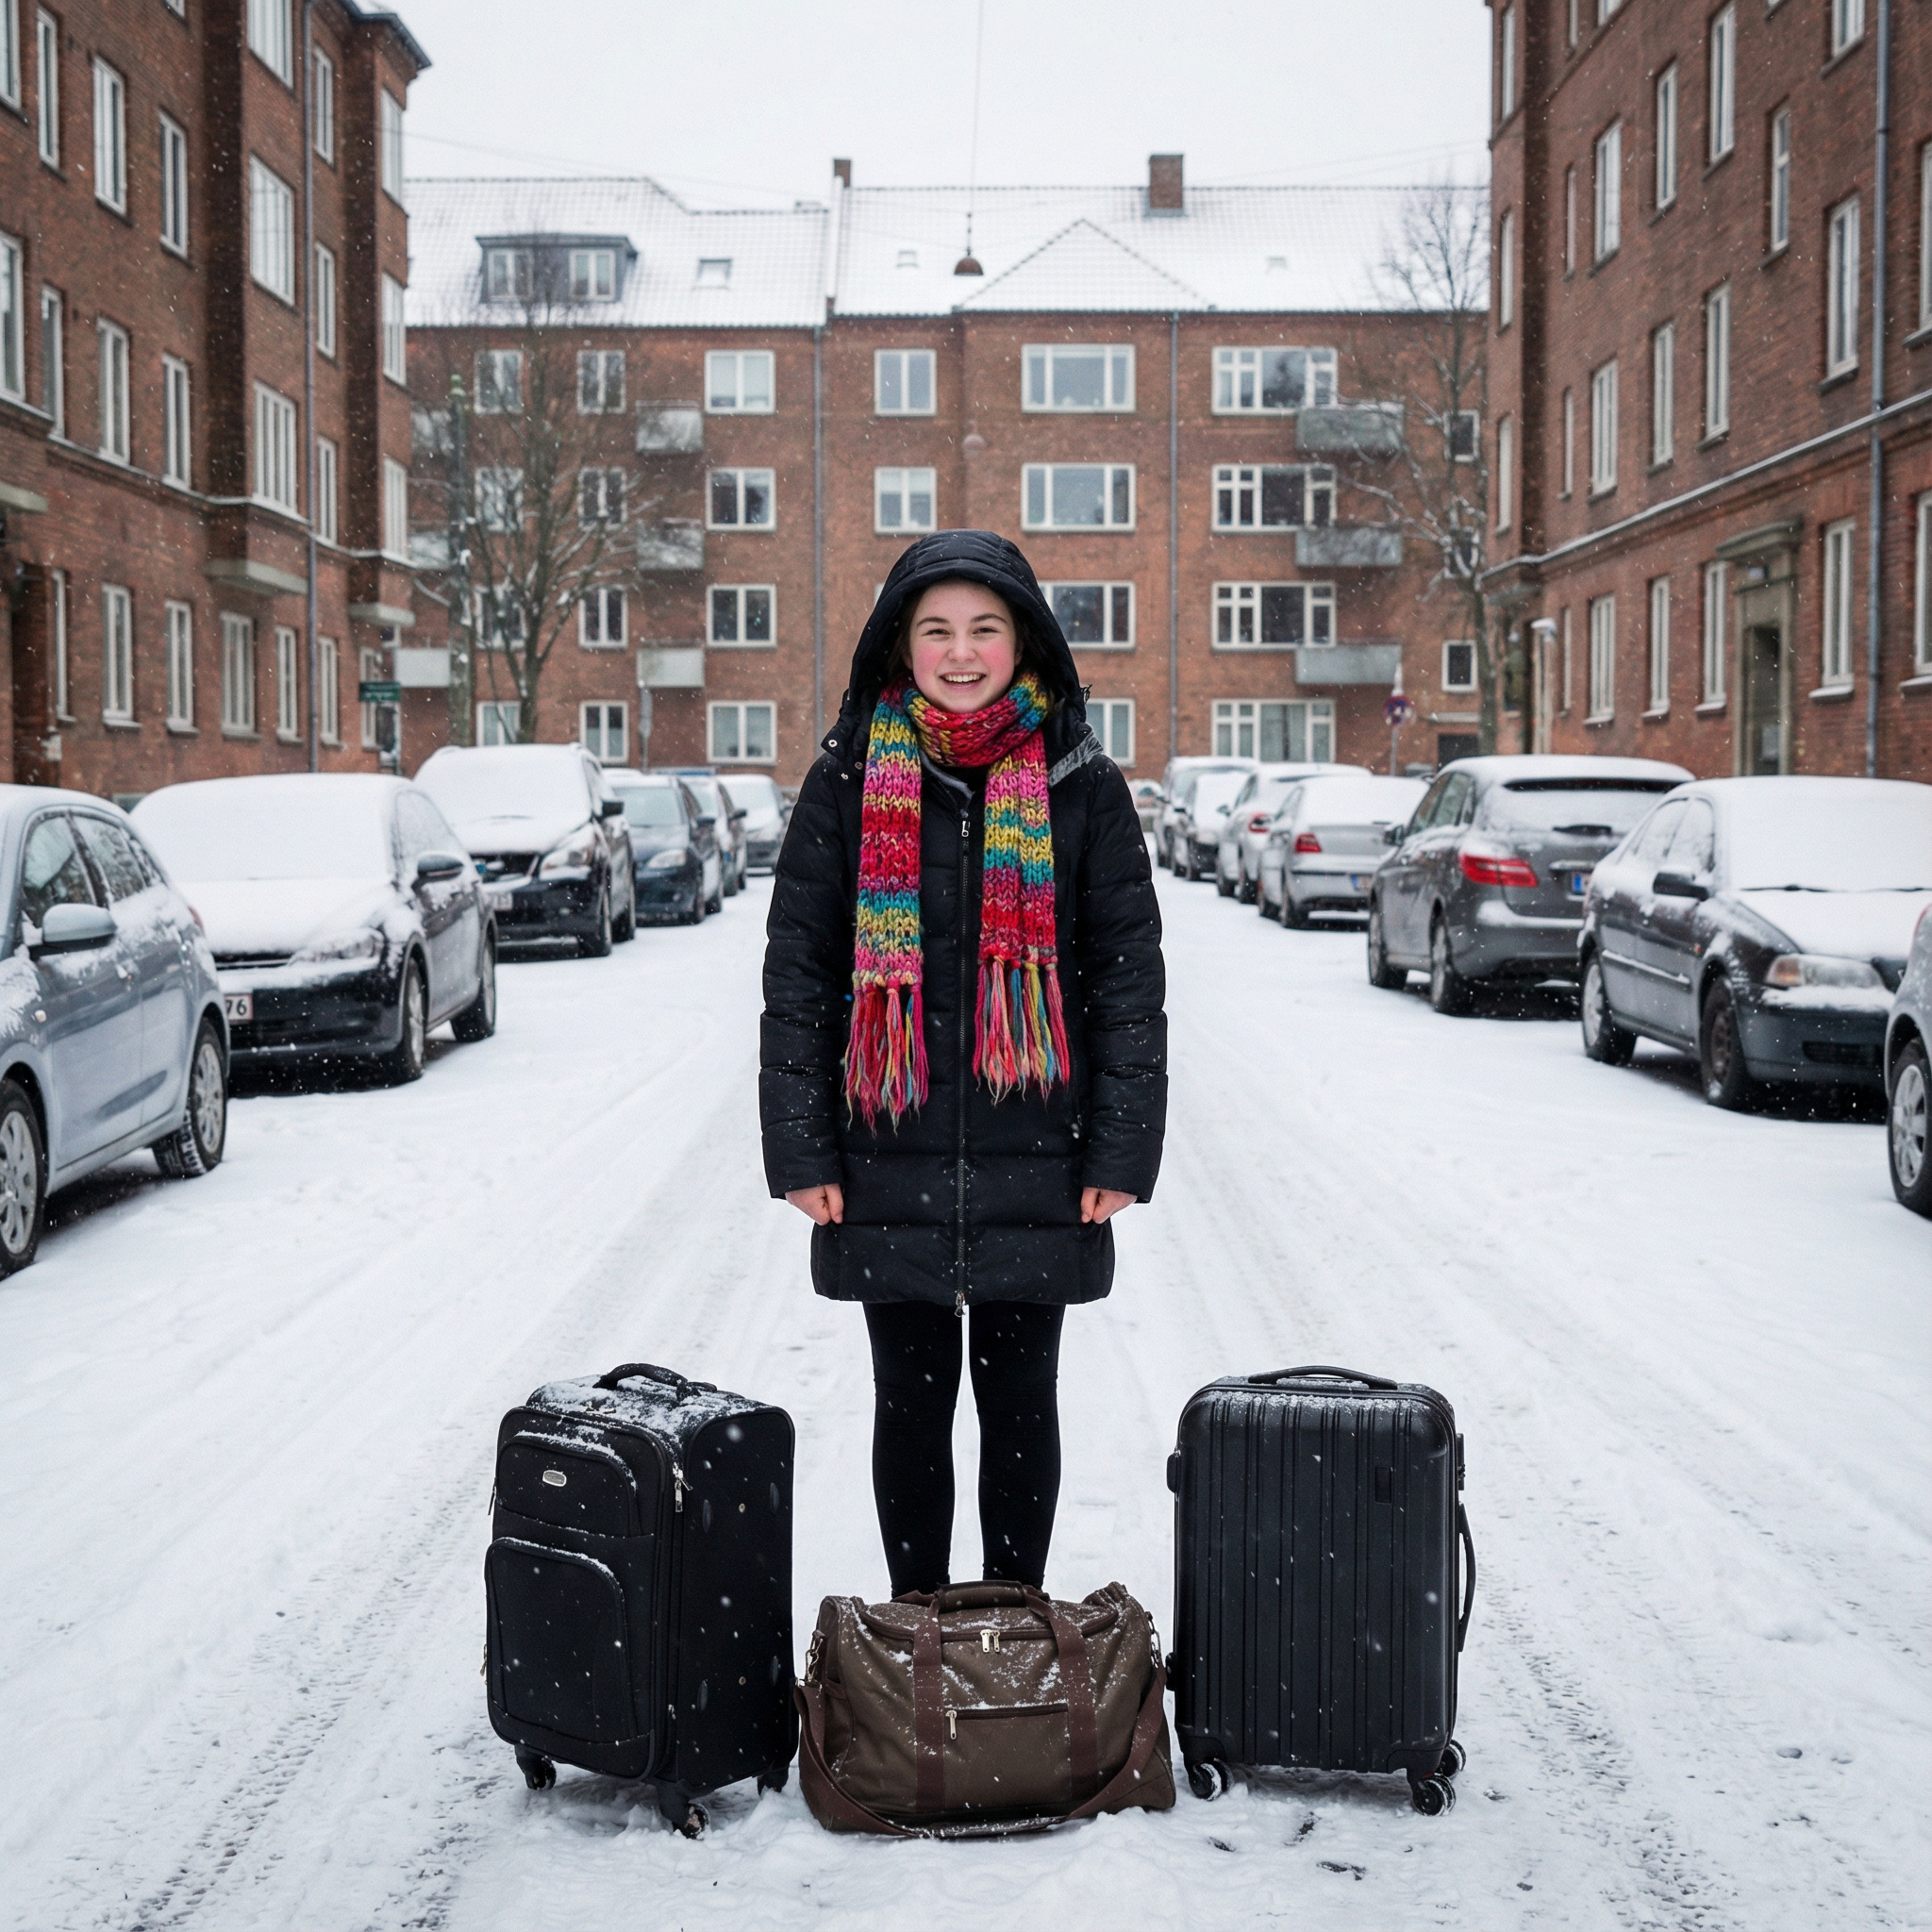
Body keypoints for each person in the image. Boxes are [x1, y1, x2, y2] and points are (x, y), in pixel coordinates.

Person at [760, 530, 1167, 1596]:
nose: (959, 650)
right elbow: (797, 978)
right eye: (935, 628)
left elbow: (1127, 982)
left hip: (1039, 1145)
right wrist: (802, 1148)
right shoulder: (846, 781)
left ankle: (1013, 1629)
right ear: (900, 642)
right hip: (882, 1145)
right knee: (908, 1397)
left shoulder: (1082, 783)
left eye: (984, 627)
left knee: (1021, 1395)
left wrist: (1120, 1149)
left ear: (1022, 638)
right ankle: (919, 1634)